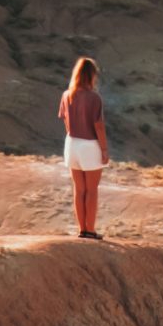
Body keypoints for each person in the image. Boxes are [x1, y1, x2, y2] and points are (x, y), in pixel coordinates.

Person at [58, 55, 109, 238]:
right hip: (89, 146)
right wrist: (104, 150)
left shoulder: (66, 95)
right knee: (92, 190)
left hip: (71, 144)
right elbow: (99, 126)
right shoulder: (94, 98)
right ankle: (90, 230)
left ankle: (82, 229)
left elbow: (65, 121)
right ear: (91, 75)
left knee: (79, 190)